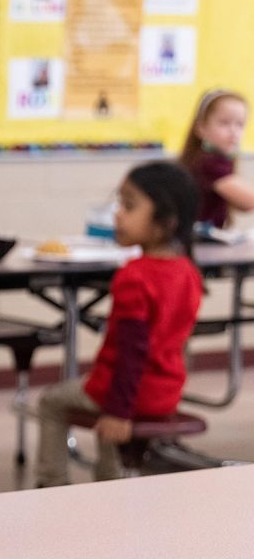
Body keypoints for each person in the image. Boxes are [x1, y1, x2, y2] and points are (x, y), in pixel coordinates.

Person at [35, 161, 202, 487]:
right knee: (105, 398)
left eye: (129, 205)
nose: (117, 214)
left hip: (127, 393)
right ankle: (110, 483)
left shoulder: (135, 275)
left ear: (165, 221)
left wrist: (119, 412)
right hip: (166, 393)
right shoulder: (189, 272)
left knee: (52, 401)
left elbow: (131, 352)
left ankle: (51, 486)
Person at [179, 88, 251, 229]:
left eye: (240, 124)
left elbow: (243, 205)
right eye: (224, 123)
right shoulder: (209, 163)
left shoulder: (220, 160)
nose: (234, 131)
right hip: (198, 245)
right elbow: (250, 201)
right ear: (201, 128)